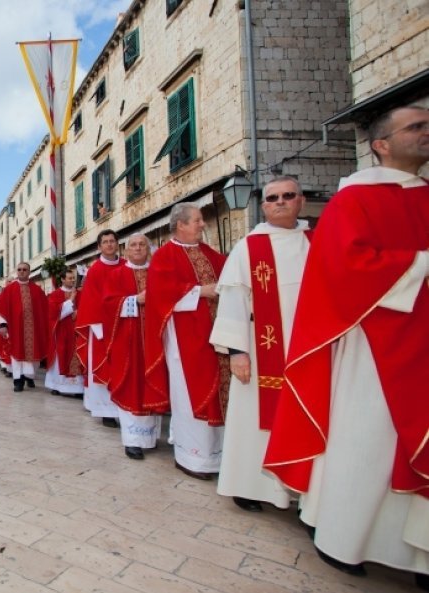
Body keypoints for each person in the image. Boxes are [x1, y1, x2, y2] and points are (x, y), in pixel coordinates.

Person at [263, 105, 429, 587]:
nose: (425, 133)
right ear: (380, 144)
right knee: (367, 443)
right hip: (372, 340)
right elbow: (346, 267)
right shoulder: (355, 200)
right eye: (415, 127)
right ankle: (344, 536)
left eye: (290, 195)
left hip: (417, 336)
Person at [209, 177, 310, 510]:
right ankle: (250, 486)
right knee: (255, 420)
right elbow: (234, 300)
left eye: (288, 196)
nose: (280, 201)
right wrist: (237, 352)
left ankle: (305, 492)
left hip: (309, 349)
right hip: (262, 349)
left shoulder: (316, 242)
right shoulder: (250, 247)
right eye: (272, 198)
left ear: (301, 201)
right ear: (263, 206)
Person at [144, 203, 228, 480]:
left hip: (216, 335)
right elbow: (160, 293)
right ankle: (193, 457)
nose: (202, 225)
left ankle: (221, 454)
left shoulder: (208, 253)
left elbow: (228, 273)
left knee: (219, 389)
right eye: (197, 220)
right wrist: (200, 291)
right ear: (180, 224)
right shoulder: (164, 256)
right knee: (189, 393)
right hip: (184, 337)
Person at [101, 233, 162, 460]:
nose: (137, 248)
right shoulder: (116, 274)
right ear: (126, 251)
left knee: (153, 382)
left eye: (142, 245)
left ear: (148, 249)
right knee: (131, 384)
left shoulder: (157, 273)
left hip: (156, 340)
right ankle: (133, 440)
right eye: (133, 245)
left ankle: (151, 436)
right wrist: (135, 299)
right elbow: (107, 304)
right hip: (127, 343)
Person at [76, 230, 125, 426]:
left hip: (125, 324)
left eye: (112, 241)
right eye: (105, 242)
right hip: (102, 328)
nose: (109, 245)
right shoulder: (95, 270)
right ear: (99, 247)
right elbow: (90, 301)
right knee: (104, 366)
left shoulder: (125, 266)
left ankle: (124, 406)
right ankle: (106, 410)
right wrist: (98, 329)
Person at [0, 262, 49, 392]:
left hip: (33, 329)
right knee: (16, 353)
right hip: (15, 328)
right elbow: (1, 308)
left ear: (29, 272)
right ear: (16, 271)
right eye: (19, 269)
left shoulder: (37, 290)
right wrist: (3, 325)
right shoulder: (9, 290)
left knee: (33, 354)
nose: (22, 271)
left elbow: (45, 309)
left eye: (25, 269)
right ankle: (18, 380)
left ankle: (29, 376)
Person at [45, 268, 84, 396]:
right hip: (61, 331)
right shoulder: (55, 295)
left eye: (73, 278)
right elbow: (54, 314)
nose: (72, 280)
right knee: (60, 356)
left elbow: (86, 308)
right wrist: (70, 300)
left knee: (77, 357)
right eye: (70, 278)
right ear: (62, 279)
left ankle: (78, 389)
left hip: (77, 332)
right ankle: (57, 385)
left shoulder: (80, 293)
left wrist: (79, 312)